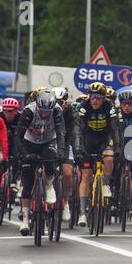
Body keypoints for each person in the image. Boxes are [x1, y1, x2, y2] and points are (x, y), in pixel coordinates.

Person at [16, 89, 65, 236]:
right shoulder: (28, 111)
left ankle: (49, 185)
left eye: (47, 111)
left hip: (48, 141)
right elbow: (18, 136)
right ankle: (25, 220)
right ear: (37, 105)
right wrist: (24, 154)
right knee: (28, 182)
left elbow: (61, 132)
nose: (44, 114)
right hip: (29, 142)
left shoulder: (57, 110)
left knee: (50, 162)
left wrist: (61, 152)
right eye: (42, 111)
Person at [76, 82, 121, 227]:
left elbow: (115, 128)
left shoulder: (109, 106)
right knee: (86, 175)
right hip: (88, 140)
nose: (94, 100)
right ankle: (82, 213)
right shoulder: (83, 106)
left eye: (98, 98)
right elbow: (78, 129)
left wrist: (118, 146)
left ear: (104, 98)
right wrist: (79, 146)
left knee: (109, 158)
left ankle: (106, 183)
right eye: (92, 97)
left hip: (104, 138)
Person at [52, 87, 81, 222]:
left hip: (67, 141)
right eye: (57, 101)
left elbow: (75, 132)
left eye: (62, 101)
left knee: (68, 173)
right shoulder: (47, 109)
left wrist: (76, 151)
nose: (60, 104)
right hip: (50, 140)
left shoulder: (71, 112)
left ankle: (66, 201)